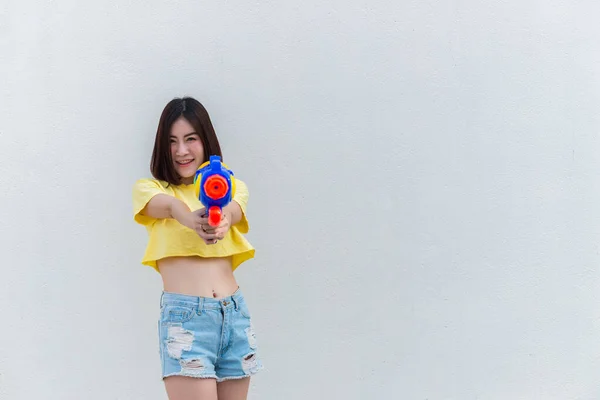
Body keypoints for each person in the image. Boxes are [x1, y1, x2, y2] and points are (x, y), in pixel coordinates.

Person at [132, 97, 263, 400]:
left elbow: (233, 210)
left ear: (206, 141)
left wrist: (223, 220)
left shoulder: (231, 185)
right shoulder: (151, 190)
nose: (181, 151)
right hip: (187, 321)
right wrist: (190, 219)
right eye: (172, 141)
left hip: (234, 315)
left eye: (190, 139)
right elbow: (168, 207)